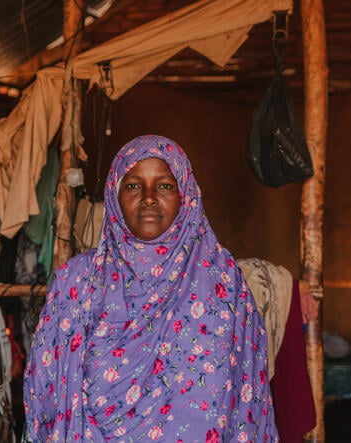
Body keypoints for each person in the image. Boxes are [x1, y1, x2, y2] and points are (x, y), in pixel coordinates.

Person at [24, 135, 278, 442]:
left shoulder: (224, 283)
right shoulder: (76, 282)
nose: (148, 197)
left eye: (164, 185)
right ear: (114, 194)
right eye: (133, 185)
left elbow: (248, 399)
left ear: (186, 194)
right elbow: (44, 392)